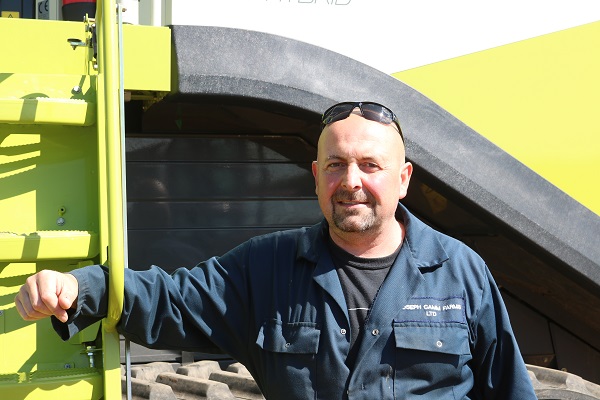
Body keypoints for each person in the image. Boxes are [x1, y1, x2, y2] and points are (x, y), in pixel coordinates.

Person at [15, 101, 537, 399]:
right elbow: (173, 300)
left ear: (403, 180)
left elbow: (509, 391)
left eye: (370, 166)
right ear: (316, 177)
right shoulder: (265, 268)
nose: (351, 182)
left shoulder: (460, 272)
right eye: (335, 165)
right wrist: (81, 288)